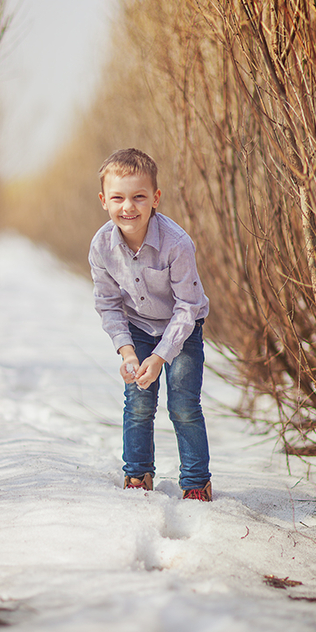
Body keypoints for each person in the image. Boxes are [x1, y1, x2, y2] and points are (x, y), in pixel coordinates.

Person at [88, 148, 212, 501]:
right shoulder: (102, 246)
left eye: (139, 197)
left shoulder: (176, 243)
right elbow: (109, 303)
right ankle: (137, 475)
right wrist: (128, 352)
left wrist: (160, 357)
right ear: (104, 200)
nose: (128, 207)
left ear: (155, 198)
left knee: (183, 405)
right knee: (138, 402)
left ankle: (196, 482)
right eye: (118, 198)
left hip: (182, 329)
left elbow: (188, 305)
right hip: (138, 329)